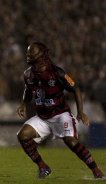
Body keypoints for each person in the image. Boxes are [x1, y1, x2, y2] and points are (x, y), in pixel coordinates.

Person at [16, 42, 105, 179]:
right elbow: (28, 90)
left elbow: (76, 88)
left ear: (41, 55)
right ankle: (43, 167)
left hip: (60, 115)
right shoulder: (28, 74)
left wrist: (80, 112)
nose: (29, 56)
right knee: (22, 135)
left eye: (32, 53)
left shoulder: (57, 73)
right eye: (28, 53)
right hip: (43, 117)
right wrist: (23, 104)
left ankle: (95, 169)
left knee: (71, 141)